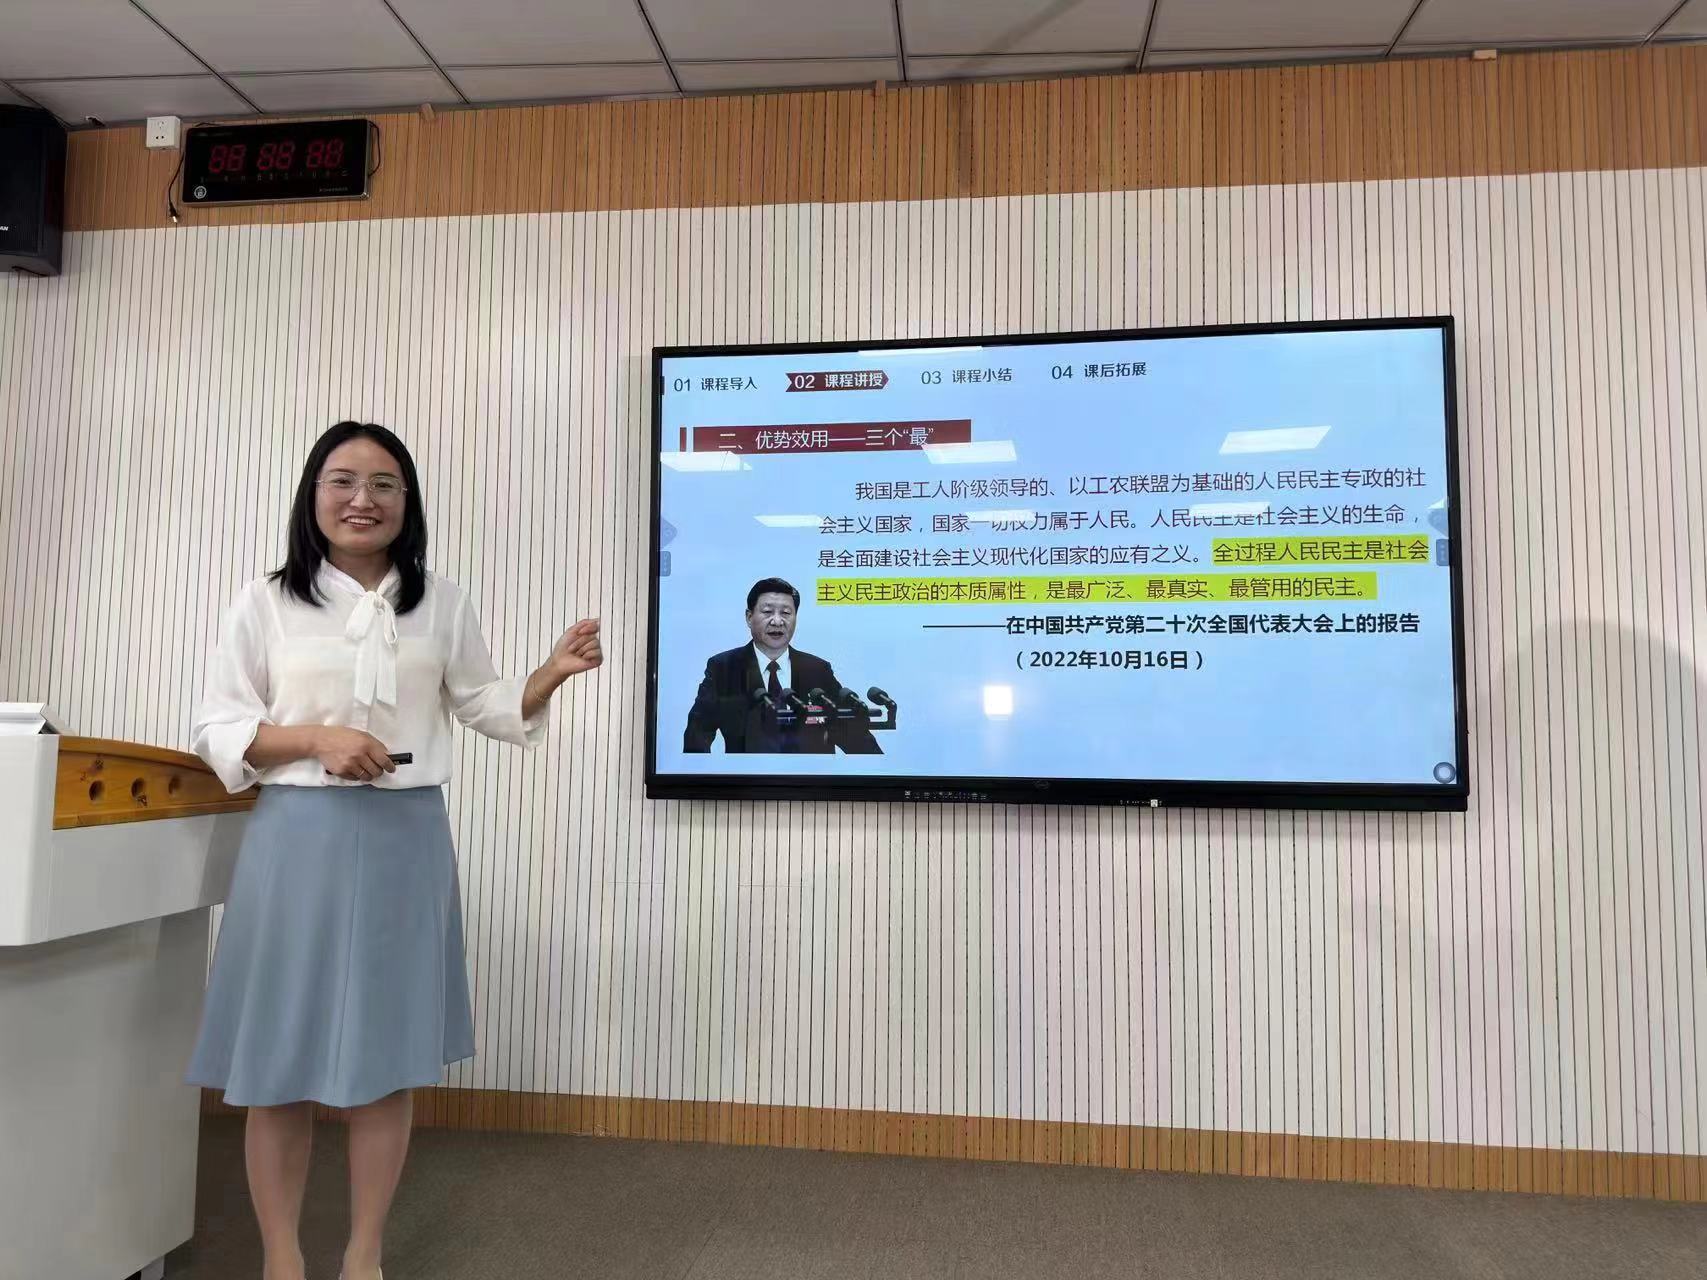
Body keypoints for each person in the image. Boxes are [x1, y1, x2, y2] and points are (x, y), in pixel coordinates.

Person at [187, 421, 601, 1280]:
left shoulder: (441, 601)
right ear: (313, 495)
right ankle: (281, 1259)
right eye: (342, 481)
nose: (362, 499)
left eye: (384, 484)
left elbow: (483, 703)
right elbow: (220, 728)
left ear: (407, 502)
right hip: (295, 840)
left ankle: (364, 1256)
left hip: (405, 839)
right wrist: (317, 739)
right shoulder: (265, 601)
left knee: (384, 1057)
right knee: (278, 1059)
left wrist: (549, 673)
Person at [682, 577, 881, 754]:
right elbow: (697, 734)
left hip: (810, 780)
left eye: (786, 613)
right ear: (749, 617)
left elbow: (852, 735)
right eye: (767, 612)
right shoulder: (724, 668)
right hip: (749, 779)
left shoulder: (817, 670)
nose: (777, 621)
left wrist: (881, 772)